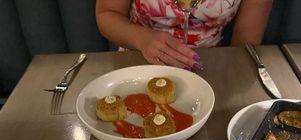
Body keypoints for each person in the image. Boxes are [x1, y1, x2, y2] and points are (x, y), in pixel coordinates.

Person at [96, 0, 273, 70]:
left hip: (210, 67)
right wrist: (142, 38)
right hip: (138, 60)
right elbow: (107, 14)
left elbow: (245, 44)